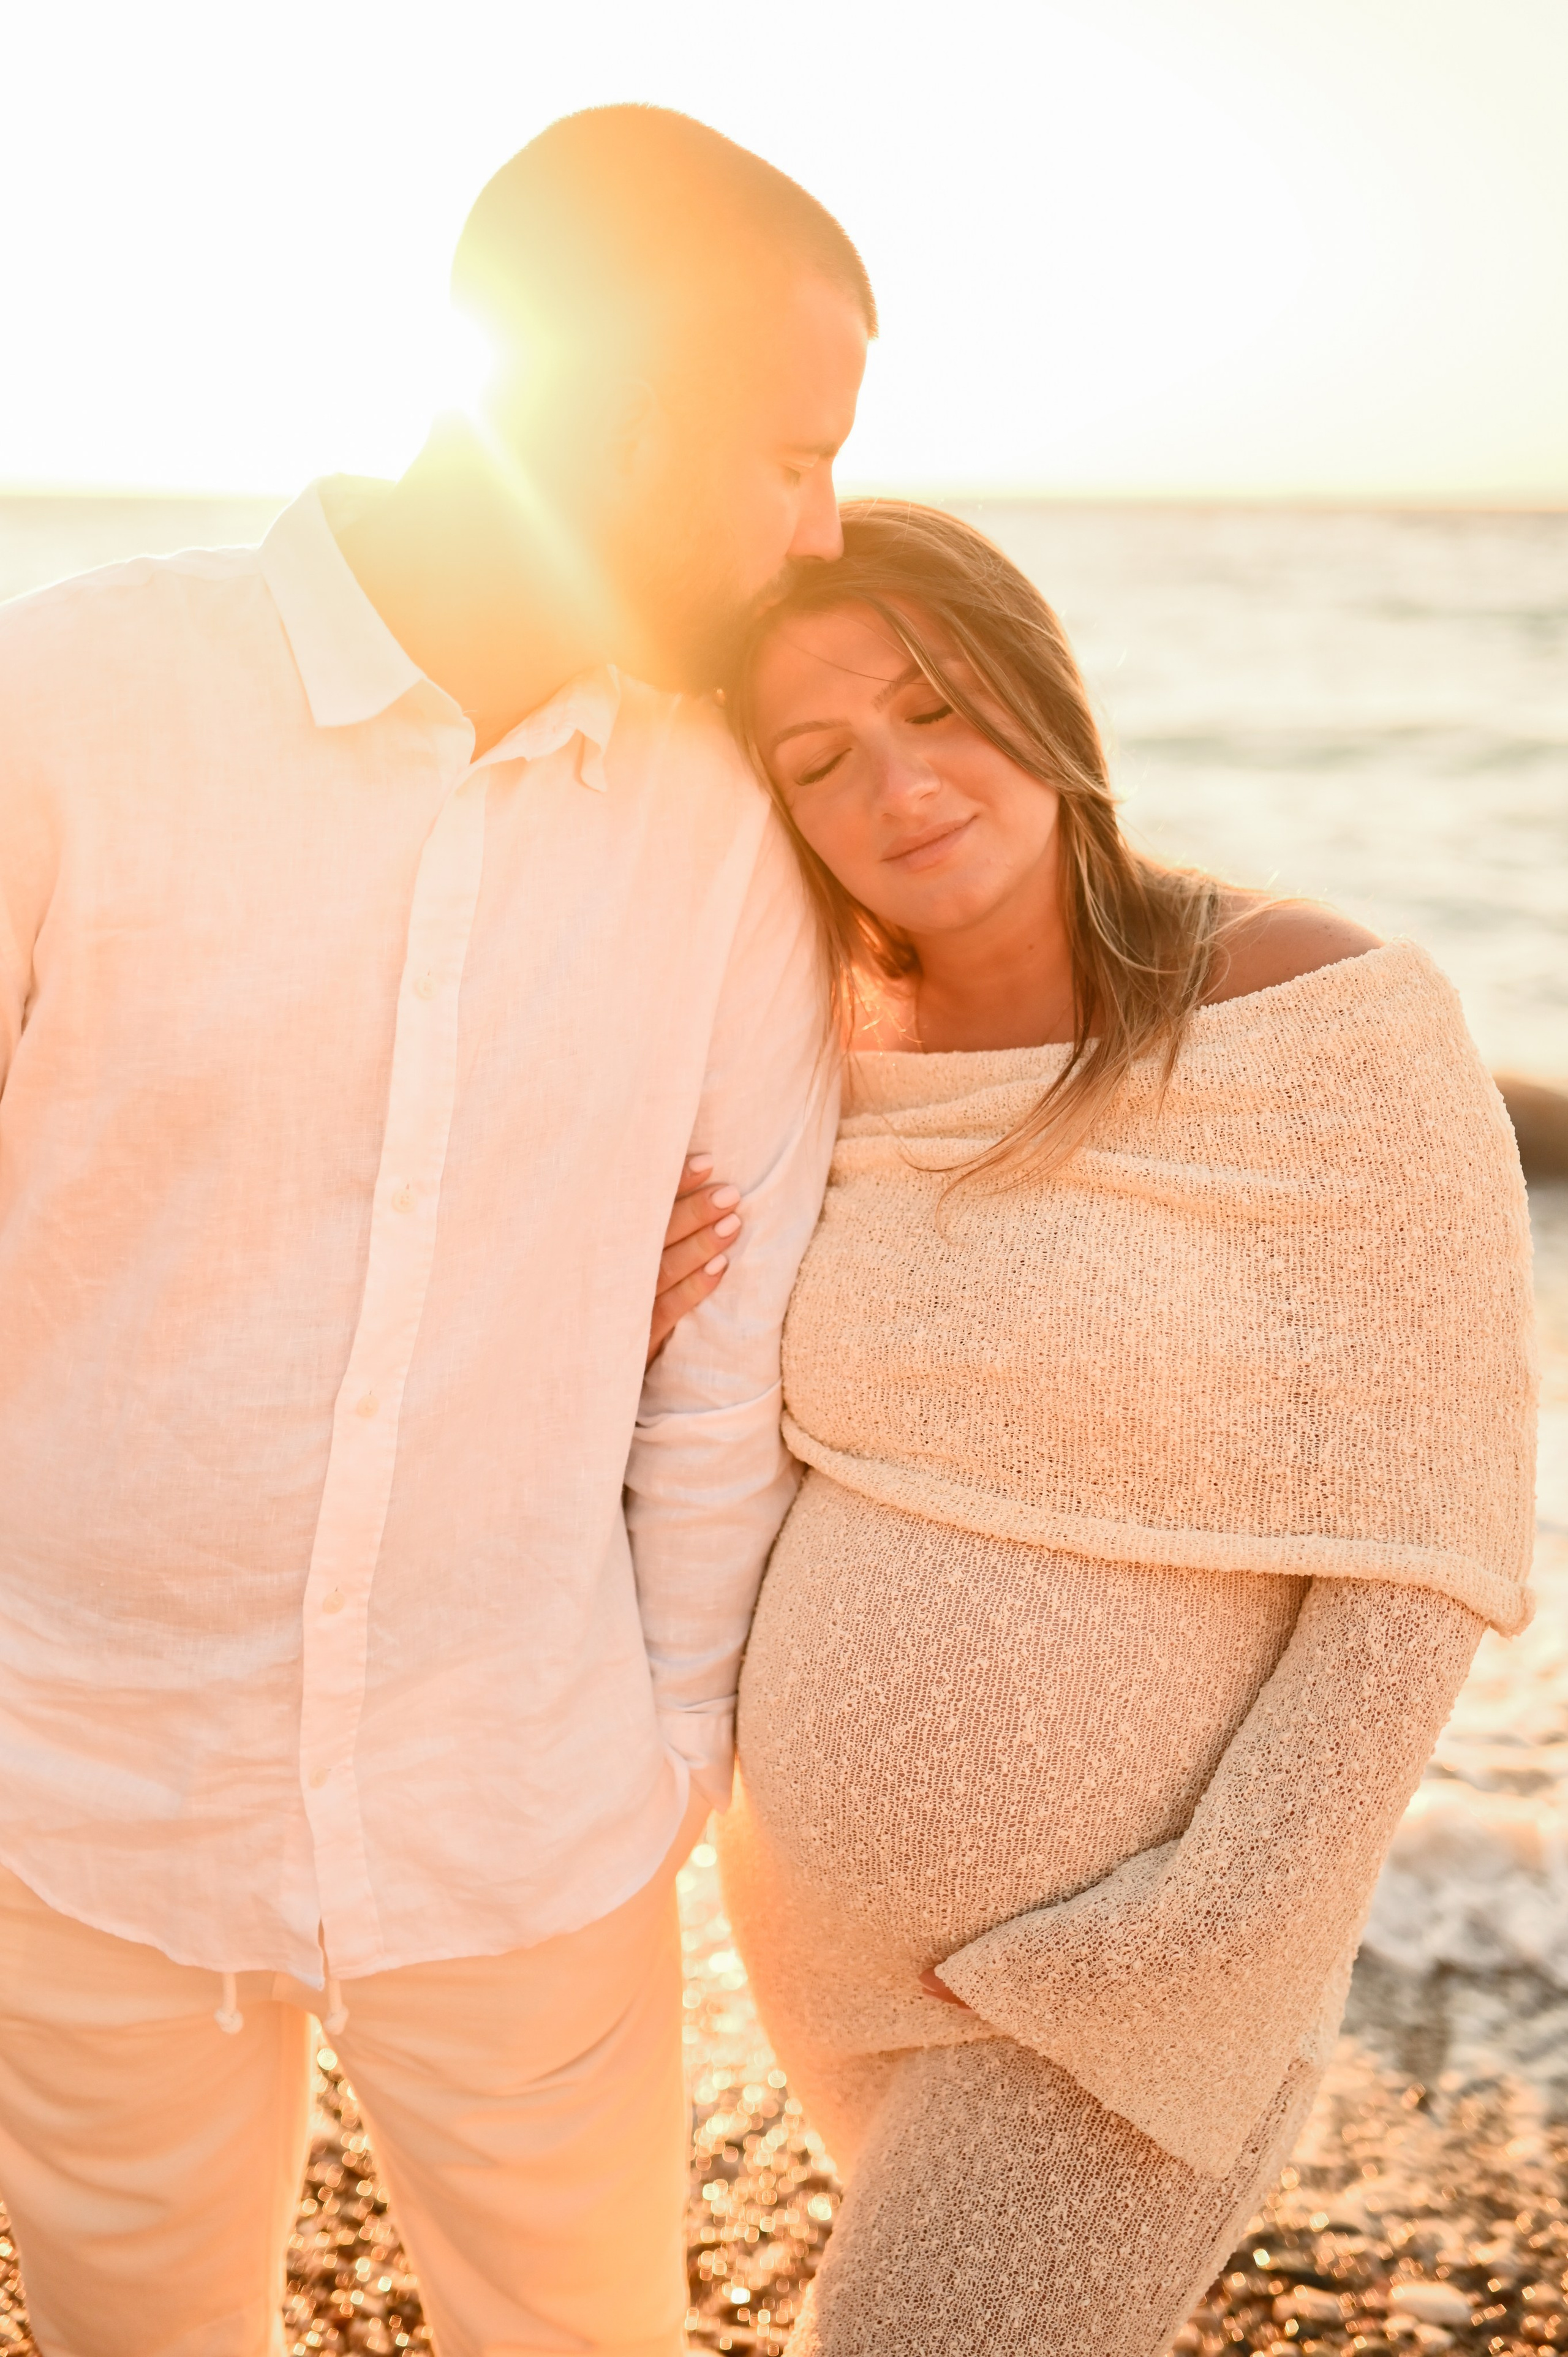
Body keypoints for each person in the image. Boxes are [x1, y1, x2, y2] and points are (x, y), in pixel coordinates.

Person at [0, 107, 872, 2357]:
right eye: (791, 454)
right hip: (75, 1792)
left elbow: (738, 1313)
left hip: (527, 1799)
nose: (825, 520)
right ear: (613, 415)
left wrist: (664, 1745)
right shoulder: (68, 711)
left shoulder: (710, 817)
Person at [670, 502, 1536, 2356]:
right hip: (831, 1961)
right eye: (821, 760)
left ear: (1040, 686)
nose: (900, 784)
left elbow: (1431, 1533)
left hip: (1125, 1982)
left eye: (937, 705)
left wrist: (1196, 1937)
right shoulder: (807, 1047)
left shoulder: (1326, 1016)